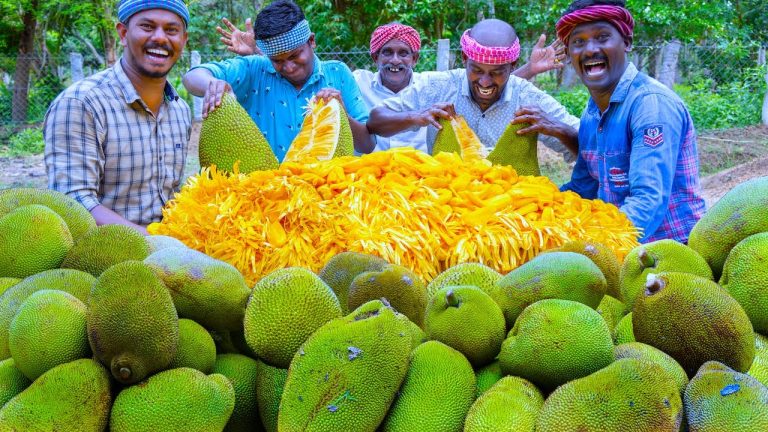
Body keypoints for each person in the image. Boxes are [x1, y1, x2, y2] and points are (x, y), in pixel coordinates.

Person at [216, 20, 568, 154]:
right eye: (387, 52)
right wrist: (263, 60)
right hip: (381, 180)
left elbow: (488, 82)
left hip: (459, 188)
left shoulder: (433, 83)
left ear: (416, 60)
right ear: (375, 57)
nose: (395, 60)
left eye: (403, 53)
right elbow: (371, 121)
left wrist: (528, 72)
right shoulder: (359, 81)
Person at [556, 0, 705, 243]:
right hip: (621, 249)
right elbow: (582, 188)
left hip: (671, 252)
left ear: (626, 43)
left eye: (602, 37)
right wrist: (533, 202)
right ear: (569, 53)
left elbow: (648, 201)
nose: (590, 50)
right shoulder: (592, 113)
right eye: (578, 42)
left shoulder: (650, 105)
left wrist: (596, 245)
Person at [44, 0, 192, 235]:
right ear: (123, 34)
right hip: (102, 259)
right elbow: (72, 202)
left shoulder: (180, 110)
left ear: (183, 40)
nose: (161, 38)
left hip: (170, 257)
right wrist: (154, 241)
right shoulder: (81, 103)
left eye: (171, 30)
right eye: (147, 26)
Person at [183, 0, 374, 161]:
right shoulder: (253, 69)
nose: (289, 67)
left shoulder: (338, 73)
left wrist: (341, 113)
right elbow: (192, 76)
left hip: (324, 193)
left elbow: (367, 144)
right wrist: (213, 85)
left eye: (295, 56)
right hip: (266, 196)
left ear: (312, 41)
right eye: (277, 61)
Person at [366, 19, 580, 159]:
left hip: (509, 207)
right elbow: (375, 120)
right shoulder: (437, 87)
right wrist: (416, 116)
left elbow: (589, 145)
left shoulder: (527, 97)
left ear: (512, 67)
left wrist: (557, 128)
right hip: (448, 203)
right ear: (464, 59)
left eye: (497, 72)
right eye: (476, 70)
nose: (485, 82)